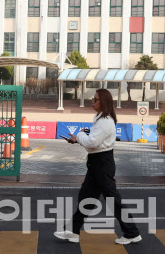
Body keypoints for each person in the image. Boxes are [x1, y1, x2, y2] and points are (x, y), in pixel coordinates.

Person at [54, 88, 142, 245]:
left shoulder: (105, 121)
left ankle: (132, 233)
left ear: (104, 102)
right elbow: (92, 144)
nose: (92, 102)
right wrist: (80, 139)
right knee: (85, 197)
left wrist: (80, 135)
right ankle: (72, 231)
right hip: (97, 163)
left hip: (102, 164)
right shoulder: (99, 119)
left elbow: (92, 143)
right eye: (93, 99)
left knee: (113, 200)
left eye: (95, 99)